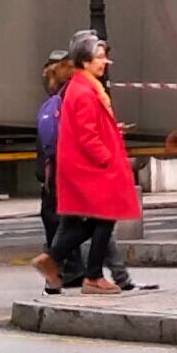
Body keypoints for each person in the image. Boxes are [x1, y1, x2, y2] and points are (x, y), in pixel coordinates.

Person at [54, 31, 142, 296]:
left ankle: (67, 265)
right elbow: (87, 134)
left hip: (93, 167)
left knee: (98, 222)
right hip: (94, 169)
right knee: (102, 220)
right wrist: (106, 158)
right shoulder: (84, 91)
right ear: (84, 61)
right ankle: (89, 274)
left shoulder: (88, 87)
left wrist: (112, 130)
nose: (105, 62)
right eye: (99, 57)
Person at [30, 54, 75, 290]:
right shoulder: (66, 101)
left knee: (57, 221)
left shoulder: (50, 102)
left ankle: (65, 271)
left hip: (49, 172)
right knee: (75, 222)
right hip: (61, 170)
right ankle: (59, 270)